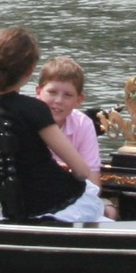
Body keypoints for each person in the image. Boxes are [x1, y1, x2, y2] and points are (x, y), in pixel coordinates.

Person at [0, 27, 101, 222]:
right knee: (92, 199)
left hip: (9, 205)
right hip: (48, 202)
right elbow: (81, 170)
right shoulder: (34, 109)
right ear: (29, 70)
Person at [36, 56, 108, 224]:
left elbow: (93, 180)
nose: (58, 101)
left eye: (67, 95)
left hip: (70, 198)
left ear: (79, 100)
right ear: (38, 91)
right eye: (52, 92)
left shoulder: (83, 124)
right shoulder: (25, 119)